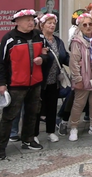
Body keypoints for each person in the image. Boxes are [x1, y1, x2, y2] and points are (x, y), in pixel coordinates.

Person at [0, 9, 48, 159]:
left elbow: (47, 54)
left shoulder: (39, 36)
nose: (31, 22)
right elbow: (1, 63)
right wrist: (2, 83)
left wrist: (42, 58)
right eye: (27, 19)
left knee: (32, 113)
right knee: (9, 117)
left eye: (32, 19)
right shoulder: (9, 39)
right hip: (16, 85)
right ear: (17, 22)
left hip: (35, 83)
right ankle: (1, 147)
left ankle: (28, 140)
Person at [67, 13, 92, 141]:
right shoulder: (76, 41)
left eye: (90, 24)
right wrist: (77, 79)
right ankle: (73, 127)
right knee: (79, 103)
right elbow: (73, 62)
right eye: (85, 25)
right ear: (80, 26)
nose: (88, 27)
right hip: (83, 77)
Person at [36, 14, 70, 143]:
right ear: (42, 25)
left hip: (54, 80)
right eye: (49, 23)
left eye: (53, 23)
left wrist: (75, 62)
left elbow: (64, 56)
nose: (52, 25)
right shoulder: (38, 40)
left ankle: (51, 132)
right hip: (40, 80)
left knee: (52, 107)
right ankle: (34, 134)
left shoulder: (57, 40)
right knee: (37, 109)